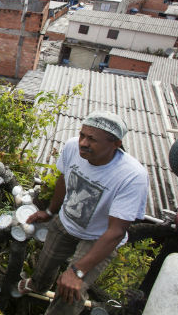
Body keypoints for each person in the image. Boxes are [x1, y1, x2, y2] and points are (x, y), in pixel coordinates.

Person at [18, 111, 149, 315]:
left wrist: (77, 271)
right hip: (67, 221)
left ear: (115, 144)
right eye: (82, 135)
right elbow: (63, 180)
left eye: (92, 139)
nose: (83, 143)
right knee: (45, 263)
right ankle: (37, 286)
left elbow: (116, 231)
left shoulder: (132, 176)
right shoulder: (72, 147)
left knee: (70, 292)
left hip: (98, 238)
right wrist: (51, 211)